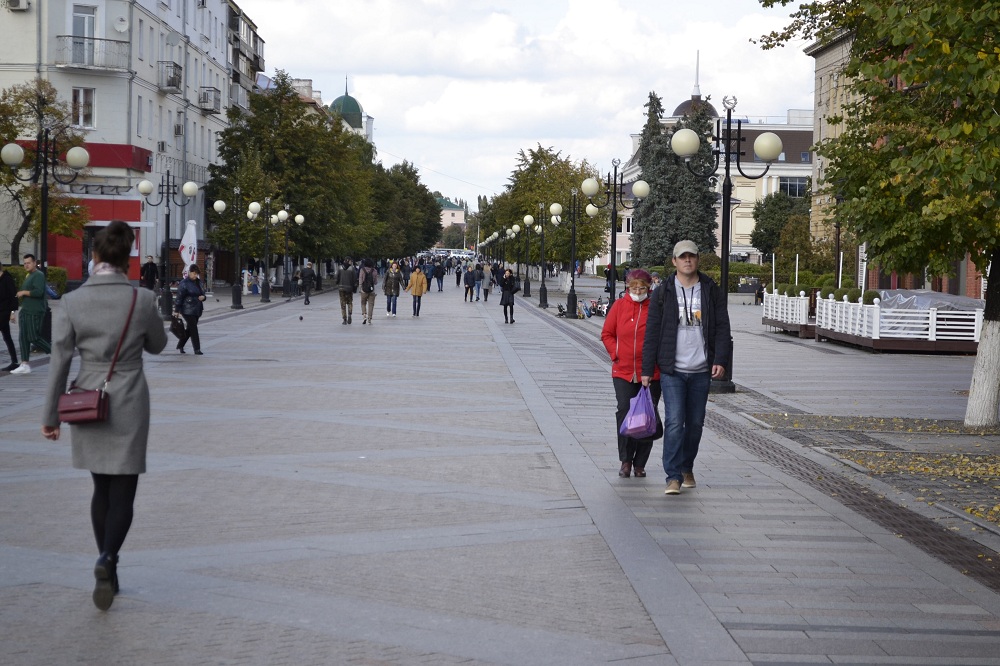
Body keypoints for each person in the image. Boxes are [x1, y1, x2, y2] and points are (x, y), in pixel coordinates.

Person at [40, 220, 167, 611]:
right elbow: (158, 345)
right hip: (129, 398)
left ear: (93, 255)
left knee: (101, 488)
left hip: (87, 400)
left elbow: (59, 361)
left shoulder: (72, 301)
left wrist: (51, 415)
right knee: (124, 491)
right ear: (128, 258)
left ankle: (106, 565)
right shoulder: (142, 299)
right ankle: (109, 559)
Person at [641, 240, 732, 496]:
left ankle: (686, 467)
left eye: (691, 256)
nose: (687, 260)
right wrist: (647, 369)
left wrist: (720, 360)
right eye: (682, 257)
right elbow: (652, 332)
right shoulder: (663, 292)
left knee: (695, 424)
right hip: (673, 370)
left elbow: (722, 327)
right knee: (674, 421)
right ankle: (673, 476)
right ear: (674, 261)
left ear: (698, 259)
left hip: (701, 370)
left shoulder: (711, 290)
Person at [601, 269, 662, 478]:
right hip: (623, 370)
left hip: (651, 372)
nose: (637, 291)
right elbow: (607, 334)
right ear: (627, 287)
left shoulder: (655, 308)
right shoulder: (619, 306)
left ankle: (640, 463)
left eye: (642, 288)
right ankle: (626, 460)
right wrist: (615, 353)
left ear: (649, 287)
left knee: (647, 414)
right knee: (625, 410)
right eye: (633, 288)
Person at [10, 254, 51, 375]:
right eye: (25, 263)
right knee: (23, 337)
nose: (26, 265)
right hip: (25, 310)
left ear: (34, 263)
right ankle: (24, 364)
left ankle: (56, 353)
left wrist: (24, 292)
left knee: (33, 337)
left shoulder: (39, 275)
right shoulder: (29, 275)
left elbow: (39, 292)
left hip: (35, 311)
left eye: (28, 263)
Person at [174, 264, 206, 355]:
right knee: (194, 329)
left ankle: (180, 345)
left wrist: (203, 297)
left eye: (197, 274)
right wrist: (177, 310)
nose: (195, 276)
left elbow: (203, 293)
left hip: (197, 309)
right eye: (194, 273)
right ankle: (197, 349)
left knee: (189, 329)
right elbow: (179, 297)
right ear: (189, 272)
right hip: (187, 309)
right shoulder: (184, 283)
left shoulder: (199, 282)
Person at [0, 260, 19, 372]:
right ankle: (14, 361)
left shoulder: (7, 279)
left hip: (5, 312)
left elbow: (13, 296)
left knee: (6, 336)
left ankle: (14, 362)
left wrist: (12, 313)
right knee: (7, 336)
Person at [336, 258, 358, 324]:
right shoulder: (352, 269)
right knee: (350, 302)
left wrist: (337, 282)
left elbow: (336, 277)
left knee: (342, 303)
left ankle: (344, 319)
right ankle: (349, 314)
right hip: (349, 288)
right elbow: (355, 279)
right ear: (348, 261)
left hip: (341, 288)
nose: (351, 262)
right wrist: (354, 287)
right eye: (350, 261)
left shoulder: (339, 268)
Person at [357, 258, 379, 324]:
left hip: (364, 290)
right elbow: (375, 282)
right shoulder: (374, 271)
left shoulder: (362, 270)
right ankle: (369, 318)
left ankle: (364, 315)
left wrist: (360, 288)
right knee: (371, 304)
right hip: (371, 290)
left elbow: (360, 280)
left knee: (363, 303)